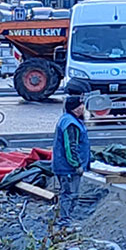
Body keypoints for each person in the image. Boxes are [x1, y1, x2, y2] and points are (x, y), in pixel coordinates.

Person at [51, 85, 93, 224]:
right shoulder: (71, 124)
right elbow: (71, 146)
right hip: (67, 167)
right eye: (79, 105)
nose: (82, 107)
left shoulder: (69, 120)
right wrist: (76, 164)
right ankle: (65, 219)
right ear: (73, 108)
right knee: (69, 193)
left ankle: (66, 217)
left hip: (65, 165)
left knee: (69, 193)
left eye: (82, 104)